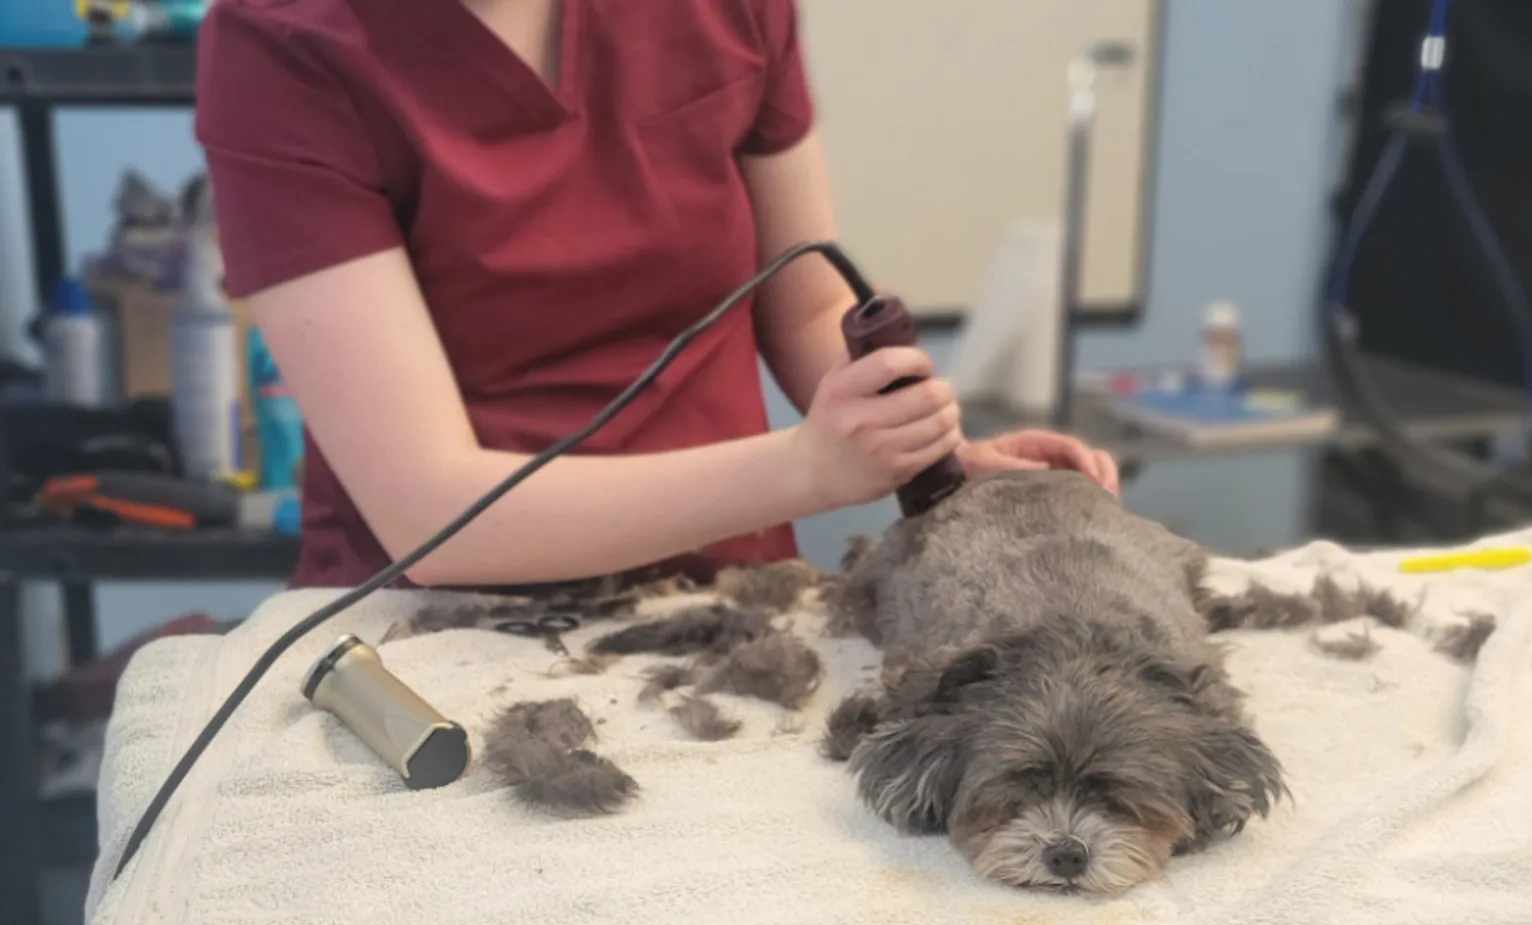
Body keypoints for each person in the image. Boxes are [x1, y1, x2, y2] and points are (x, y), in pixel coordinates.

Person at [194, 0, 1120, 590]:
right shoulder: (283, 47)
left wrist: (940, 460)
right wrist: (804, 470)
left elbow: (799, 303)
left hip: (734, 605)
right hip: (441, 638)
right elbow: (435, 519)